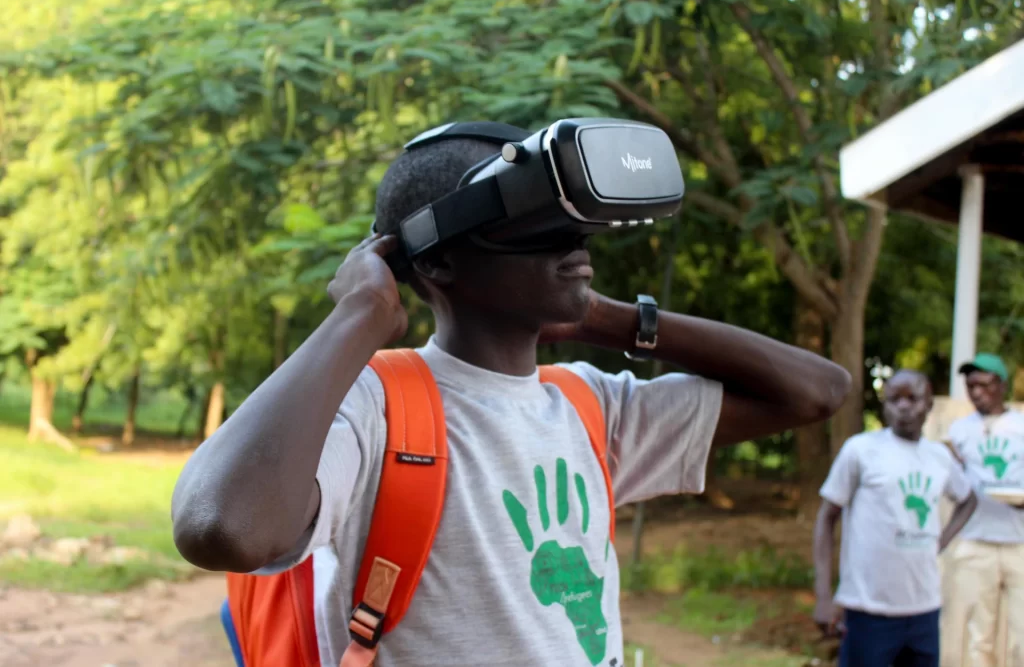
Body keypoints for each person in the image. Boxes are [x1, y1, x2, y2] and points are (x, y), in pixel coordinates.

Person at [170, 134, 852, 667]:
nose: (576, 246)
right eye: (540, 226)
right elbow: (221, 524)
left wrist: (608, 319)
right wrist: (359, 313)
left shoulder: (591, 406)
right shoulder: (378, 404)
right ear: (436, 262)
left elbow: (819, 390)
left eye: (577, 227)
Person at [813, 369, 978, 667]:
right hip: (868, 610)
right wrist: (824, 596)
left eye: (912, 398)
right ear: (884, 406)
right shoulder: (861, 450)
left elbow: (968, 500)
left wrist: (941, 541)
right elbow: (827, 518)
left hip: (924, 609)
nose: (903, 407)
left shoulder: (939, 457)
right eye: (894, 399)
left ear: (929, 404)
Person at [941, 353, 1024, 667]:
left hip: (1019, 543)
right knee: (980, 638)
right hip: (976, 543)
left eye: (984, 385)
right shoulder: (959, 431)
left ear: (1001, 386)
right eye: (971, 386)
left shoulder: (1020, 426)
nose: (976, 393)